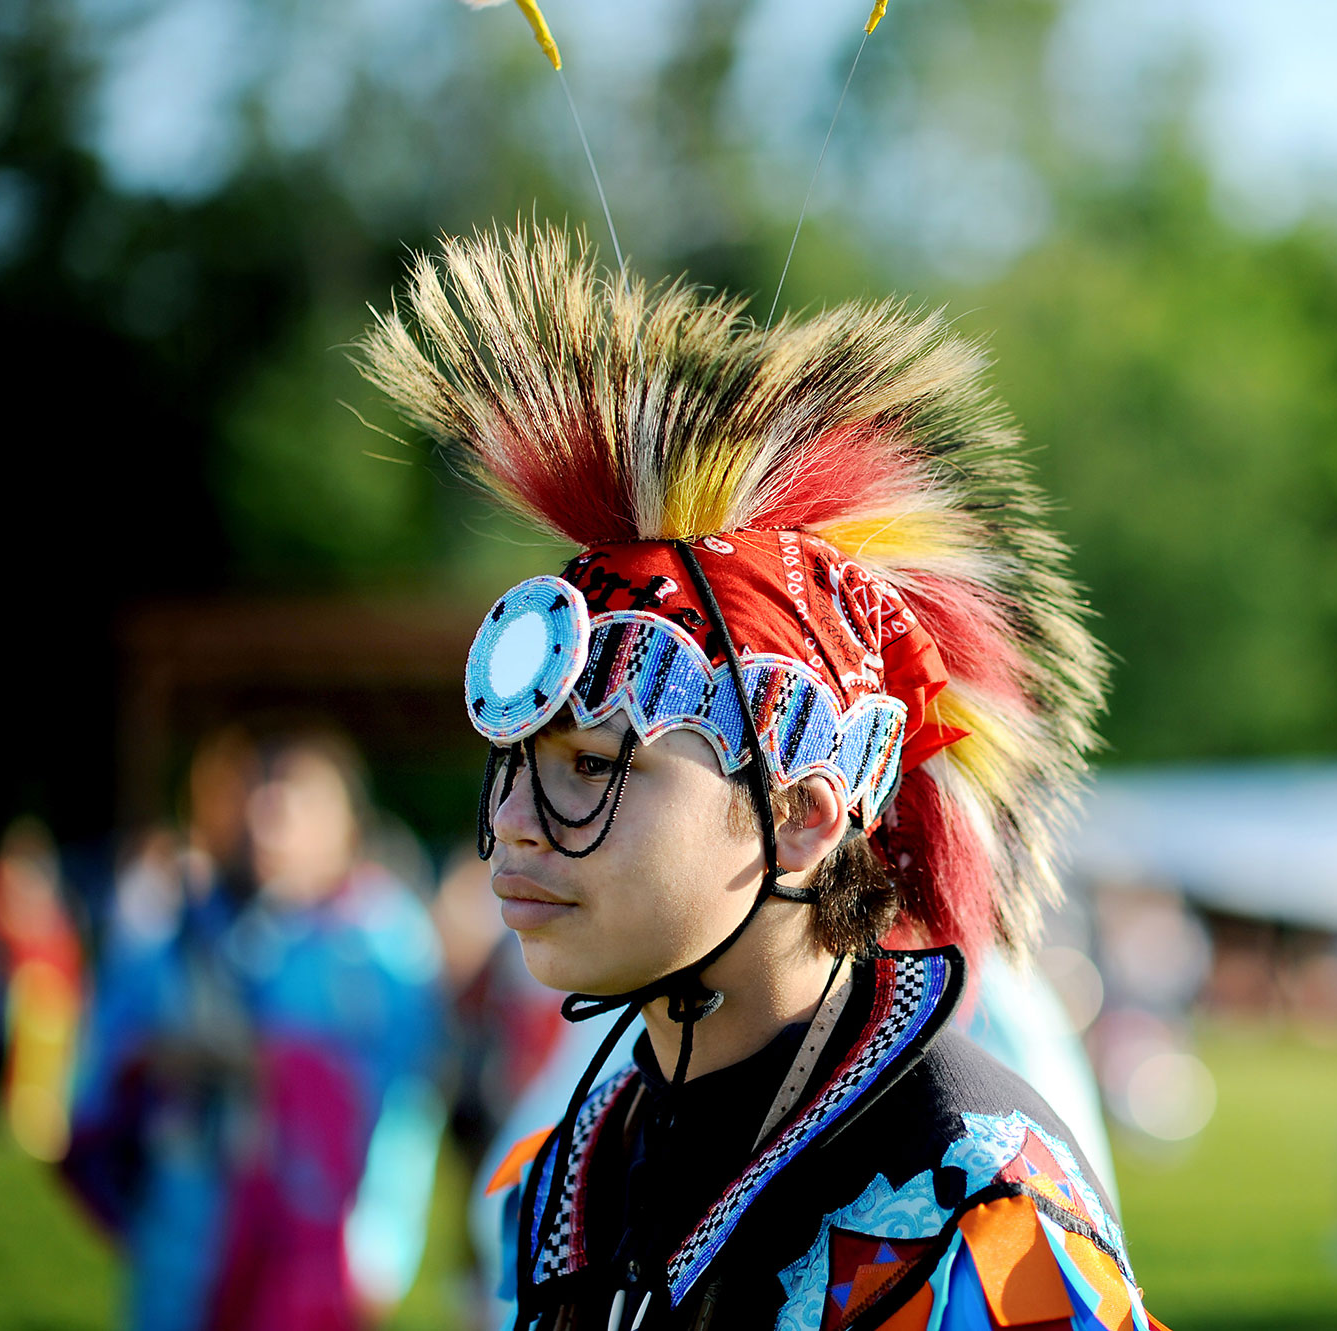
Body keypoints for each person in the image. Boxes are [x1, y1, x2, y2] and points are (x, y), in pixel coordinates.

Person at [355, 223, 1160, 1331]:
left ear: (799, 813)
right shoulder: (565, 1178)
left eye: (590, 765)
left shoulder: (974, 1201)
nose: (515, 828)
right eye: (515, 766)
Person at [67, 730, 447, 1331]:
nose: (267, 825)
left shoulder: (385, 945)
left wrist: (378, 1248)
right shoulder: (175, 928)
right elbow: (103, 1066)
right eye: (257, 800)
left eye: (294, 805)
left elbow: (407, 1100)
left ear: (347, 823)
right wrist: (151, 1060)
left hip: (314, 1240)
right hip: (186, 1236)